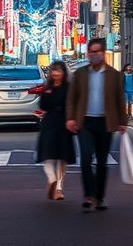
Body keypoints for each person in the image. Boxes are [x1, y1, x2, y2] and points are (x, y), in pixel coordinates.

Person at [66, 37, 128, 210]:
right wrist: (71, 118)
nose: (94, 55)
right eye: (91, 52)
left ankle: (99, 197)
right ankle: (88, 195)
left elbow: (119, 99)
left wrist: (123, 122)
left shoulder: (114, 74)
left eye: (97, 52)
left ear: (103, 53)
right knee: (85, 159)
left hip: (105, 123)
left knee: (102, 162)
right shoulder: (80, 74)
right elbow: (72, 98)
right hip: (85, 122)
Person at [36, 61, 75, 200]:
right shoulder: (47, 88)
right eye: (54, 71)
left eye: (59, 71)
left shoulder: (69, 87)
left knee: (62, 157)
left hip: (64, 122)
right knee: (48, 154)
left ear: (64, 73)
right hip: (49, 121)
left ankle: (58, 187)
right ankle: (51, 179)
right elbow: (43, 105)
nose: (56, 73)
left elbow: (72, 103)